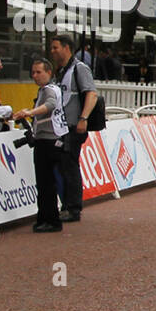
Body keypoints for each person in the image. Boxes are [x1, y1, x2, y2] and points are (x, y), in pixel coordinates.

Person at [12, 58, 68, 233]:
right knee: (46, 182)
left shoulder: (48, 91)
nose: (34, 75)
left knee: (45, 182)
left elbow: (50, 106)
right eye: (33, 72)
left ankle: (50, 219)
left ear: (48, 73)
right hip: (50, 138)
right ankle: (46, 217)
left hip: (48, 140)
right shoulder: (52, 89)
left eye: (38, 72)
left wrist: (30, 112)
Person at [49, 34, 98, 222]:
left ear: (66, 48)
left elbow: (91, 94)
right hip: (62, 126)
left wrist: (83, 118)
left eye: (55, 48)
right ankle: (68, 205)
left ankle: (73, 208)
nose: (53, 52)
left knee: (69, 166)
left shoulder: (79, 69)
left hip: (73, 126)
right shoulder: (61, 70)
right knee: (64, 165)